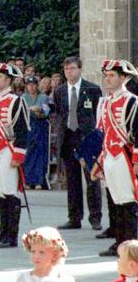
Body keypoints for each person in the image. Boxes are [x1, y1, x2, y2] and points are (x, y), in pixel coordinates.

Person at [91, 59, 138, 256]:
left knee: (128, 201)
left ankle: (131, 245)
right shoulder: (106, 102)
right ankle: (119, 242)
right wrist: (99, 160)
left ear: (123, 78)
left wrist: (136, 161)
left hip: (124, 155)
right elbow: (103, 132)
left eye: (112, 76)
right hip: (109, 155)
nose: (107, 79)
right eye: (106, 75)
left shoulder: (132, 101)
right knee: (116, 200)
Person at [53, 57, 103, 231]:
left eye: (72, 68)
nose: (69, 72)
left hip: (86, 139)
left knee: (92, 178)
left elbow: (98, 114)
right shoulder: (59, 91)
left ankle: (95, 217)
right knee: (72, 180)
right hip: (68, 137)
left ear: (80, 69)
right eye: (66, 69)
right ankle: (74, 217)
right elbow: (59, 113)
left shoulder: (92, 89)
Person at [0, 62, 29, 249]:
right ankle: (2, 232)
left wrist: (18, 154)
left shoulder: (16, 101)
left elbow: (22, 130)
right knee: (1, 193)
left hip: (8, 151)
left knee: (11, 192)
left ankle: (12, 235)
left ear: (8, 80)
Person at [23, 75, 51, 189]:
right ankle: (28, 181)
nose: (32, 87)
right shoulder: (23, 97)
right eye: (29, 85)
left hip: (40, 127)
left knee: (40, 154)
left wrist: (37, 110)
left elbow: (45, 111)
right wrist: (32, 109)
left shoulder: (43, 97)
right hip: (28, 128)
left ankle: (39, 181)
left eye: (34, 84)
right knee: (28, 154)